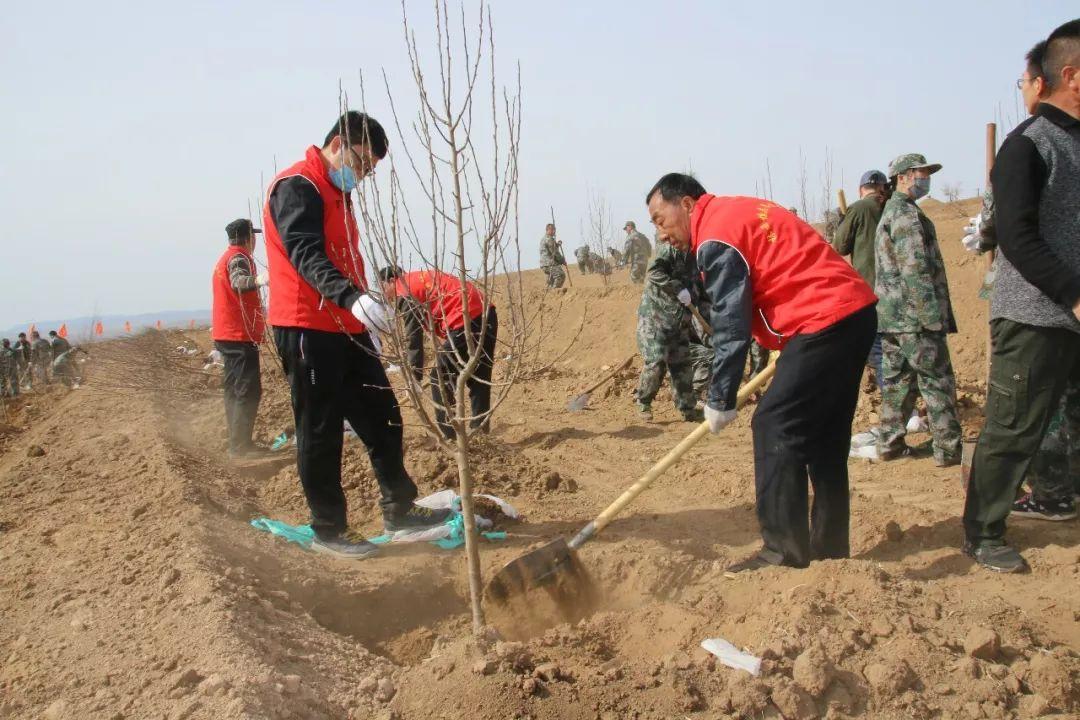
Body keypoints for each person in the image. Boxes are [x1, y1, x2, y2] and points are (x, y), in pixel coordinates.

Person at [646, 174, 877, 572]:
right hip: (854, 312)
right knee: (825, 439)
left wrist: (719, 397)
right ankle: (830, 550)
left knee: (773, 424)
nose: (660, 232)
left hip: (823, 320)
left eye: (658, 218)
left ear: (685, 203)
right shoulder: (735, 210)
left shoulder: (715, 235)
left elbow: (731, 323)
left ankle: (781, 553)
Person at [263, 110, 451, 560]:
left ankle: (399, 508)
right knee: (321, 430)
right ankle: (329, 528)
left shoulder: (335, 192)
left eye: (370, 169)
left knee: (383, 415)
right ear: (337, 145)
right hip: (308, 326)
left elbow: (343, 255)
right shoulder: (298, 186)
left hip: (346, 326)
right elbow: (305, 253)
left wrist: (366, 306)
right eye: (362, 163)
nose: (364, 175)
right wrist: (351, 297)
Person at [963, 19, 1080, 573]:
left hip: (1073, 313)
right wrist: (1072, 293)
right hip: (1036, 312)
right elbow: (1016, 234)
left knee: (1070, 422)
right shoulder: (1028, 145)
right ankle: (984, 532)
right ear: (1071, 76)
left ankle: (1058, 499)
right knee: (1013, 425)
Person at [874, 154, 962, 467]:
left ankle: (890, 444)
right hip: (914, 318)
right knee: (937, 380)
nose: (927, 179)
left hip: (893, 318)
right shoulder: (905, 215)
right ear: (905, 176)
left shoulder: (895, 211)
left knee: (898, 382)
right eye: (923, 173)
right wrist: (930, 317)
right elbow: (915, 268)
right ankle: (948, 450)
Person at [378, 266, 498, 440]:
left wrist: (415, 376)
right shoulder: (418, 279)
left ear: (390, 281)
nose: (383, 293)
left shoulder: (403, 289)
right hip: (486, 311)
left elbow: (414, 336)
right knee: (479, 374)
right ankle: (480, 434)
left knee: (439, 378)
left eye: (382, 286)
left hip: (464, 318)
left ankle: (451, 438)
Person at [212, 218, 269, 458]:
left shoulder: (224, 257)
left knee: (234, 389)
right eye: (253, 236)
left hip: (227, 333)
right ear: (249, 238)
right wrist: (258, 280)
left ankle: (238, 442)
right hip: (239, 334)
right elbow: (238, 282)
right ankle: (241, 447)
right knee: (248, 389)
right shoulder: (238, 258)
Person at [634, 238, 703, 423]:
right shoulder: (671, 248)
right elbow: (654, 273)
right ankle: (643, 402)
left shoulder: (698, 252)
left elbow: (701, 289)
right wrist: (678, 288)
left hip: (679, 319)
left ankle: (687, 408)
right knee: (657, 361)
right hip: (655, 317)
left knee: (681, 362)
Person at [832, 170, 889, 387]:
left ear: (861, 189)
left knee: (879, 349)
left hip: (872, 288)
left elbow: (839, 247)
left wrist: (843, 221)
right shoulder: (895, 206)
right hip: (900, 289)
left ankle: (897, 411)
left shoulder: (858, 208)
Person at [539, 224, 567, 289]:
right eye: (552, 230)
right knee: (560, 275)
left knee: (551, 281)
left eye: (554, 230)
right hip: (549, 263)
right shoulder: (549, 239)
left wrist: (557, 245)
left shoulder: (544, 238)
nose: (554, 232)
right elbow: (555, 253)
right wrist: (562, 261)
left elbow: (550, 248)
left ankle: (549, 294)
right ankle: (554, 293)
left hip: (544, 264)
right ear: (547, 230)